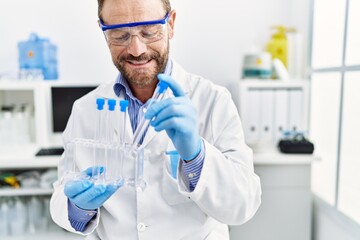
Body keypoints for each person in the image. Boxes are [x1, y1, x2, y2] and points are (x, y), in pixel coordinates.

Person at [50, 0, 261, 239]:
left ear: (170, 24)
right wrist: (78, 209)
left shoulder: (213, 101)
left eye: (149, 31)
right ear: (103, 31)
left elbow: (243, 205)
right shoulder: (85, 110)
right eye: (120, 35)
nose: (137, 49)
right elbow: (61, 196)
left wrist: (196, 155)